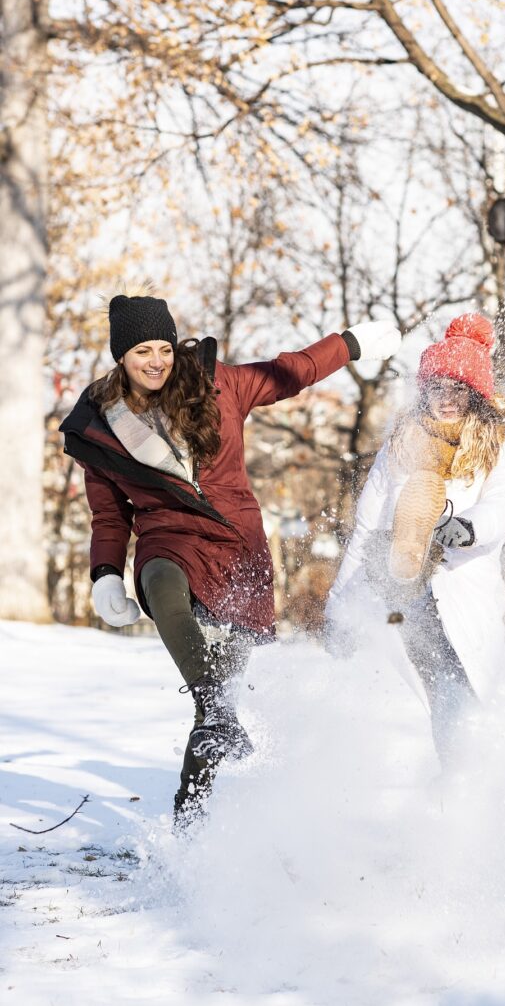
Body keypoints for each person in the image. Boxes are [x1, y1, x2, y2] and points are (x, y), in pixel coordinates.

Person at [60, 293, 401, 826]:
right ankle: (213, 708)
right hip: (167, 537)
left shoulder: (220, 386)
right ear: (121, 357)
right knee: (162, 584)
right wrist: (106, 573)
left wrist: (352, 344)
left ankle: (190, 818)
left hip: (237, 548)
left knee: (215, 704)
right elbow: (110, 517)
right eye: (142, 351)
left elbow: (293, 371)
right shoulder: (100, 429)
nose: (156, 361)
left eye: (163, 349)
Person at [324, 313, 505, 768]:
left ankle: (466, 795)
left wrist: (471, 527)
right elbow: (363, 530)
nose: (446, 399)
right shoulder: (400, 445)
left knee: (455, 698)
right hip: (402, 599)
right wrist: (339, 607)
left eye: (458, 389)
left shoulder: (503, 450)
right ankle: (407, 552)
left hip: (462, 590)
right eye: (437, 387)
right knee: (408, 708)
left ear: (477, 396)